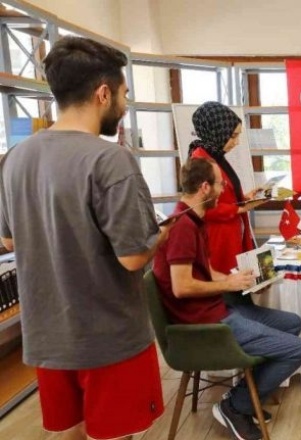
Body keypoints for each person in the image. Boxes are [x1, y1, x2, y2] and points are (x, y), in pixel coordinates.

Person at [0, 37, 170, 440]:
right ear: (103, 93)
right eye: (125, 94)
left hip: (47, 336)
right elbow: (132, 257)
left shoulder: (14, 159)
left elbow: (10, 243)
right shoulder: (110, 159)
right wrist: (162, 233)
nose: (125, 106)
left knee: (68, 434)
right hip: (108, 338)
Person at [153, 158, 301, 440]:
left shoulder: (193, 218)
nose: (224, 188)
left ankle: (247, 399)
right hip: (204, 324)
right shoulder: (182, 227)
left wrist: (241, 281)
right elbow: (181, 286)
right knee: (297, 349)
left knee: (292, 323)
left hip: (216, 309)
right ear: (204, 188)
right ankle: (235, 406)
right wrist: (229, 283)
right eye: (220, 184)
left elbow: (206, 270)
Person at [188, 101, 267, 276]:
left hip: (230, 236)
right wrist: (240, 208)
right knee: (227, 293)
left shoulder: (215, 156)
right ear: (217, 131)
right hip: (217, 241)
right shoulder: (200, 161)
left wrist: (245, 198)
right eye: (232, 136)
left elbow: (223, 197)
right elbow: (202, 207)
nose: (236, 142)